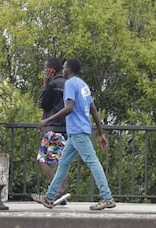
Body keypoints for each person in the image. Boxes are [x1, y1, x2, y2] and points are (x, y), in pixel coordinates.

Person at [32, 58, 116, 210]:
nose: (63, 70)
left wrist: (47, 120)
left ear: (69, 70)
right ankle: (50, 198)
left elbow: (69, 107)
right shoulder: (83, 85)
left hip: (77, 131)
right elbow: (93, 109)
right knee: (63, 164)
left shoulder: (70, 83)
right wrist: (100, 133)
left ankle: (107, 197)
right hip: (75, 132)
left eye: (64, 68)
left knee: (92, 162)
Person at [35, 57, 69, 206]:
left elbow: (42, 104)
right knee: (62, 162)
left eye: (45, 69)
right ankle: (61, 192)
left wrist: (44, 85)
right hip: (65, 128)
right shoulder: (68, 84)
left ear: (50, 70)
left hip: (53, 128)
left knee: (42, 159)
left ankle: (59, 190)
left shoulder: (53, 84)